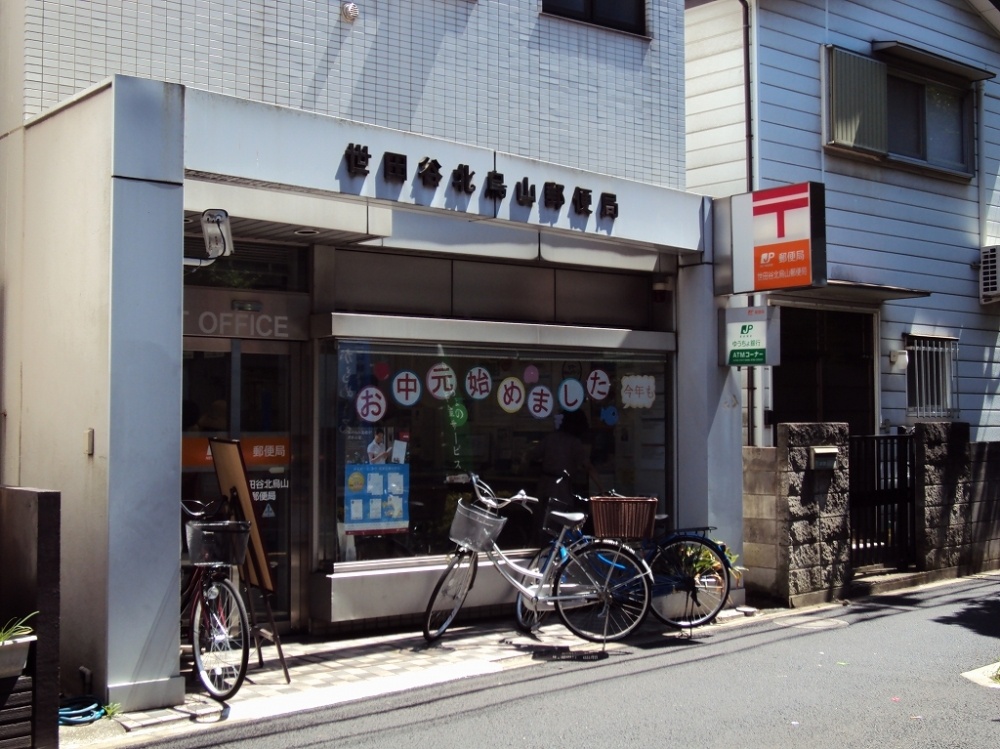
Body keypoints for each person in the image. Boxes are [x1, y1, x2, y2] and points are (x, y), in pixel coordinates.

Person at [528, 411, 604, 539]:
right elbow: (588, 467)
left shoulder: (550, 438)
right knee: (559, 525)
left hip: (544, 485)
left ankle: (540, 547)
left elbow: (533, 456)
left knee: (541, 522)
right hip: (561, 488)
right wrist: (602, 489)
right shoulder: (574, 443)